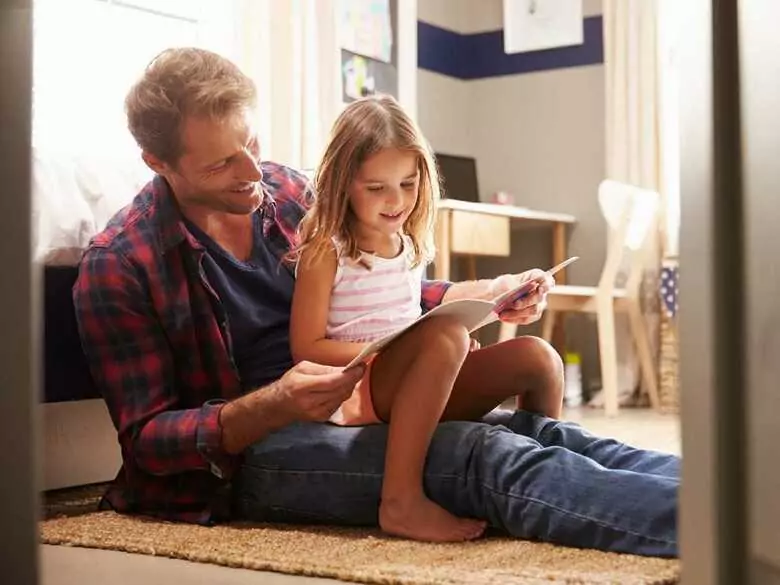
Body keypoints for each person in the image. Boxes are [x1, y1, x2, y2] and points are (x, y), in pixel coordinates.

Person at [73, 47, 680, 557]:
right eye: (222, 161)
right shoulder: (121, 267)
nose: (254, 169)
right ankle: (715, 527)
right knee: (483, 452)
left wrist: (482, 296)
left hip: (367, 387)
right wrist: (271, 404)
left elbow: (379, 292)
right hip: (256, 451)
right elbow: (147, 441)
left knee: (541, 434)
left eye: (251, 141)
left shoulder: (288, 193)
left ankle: (736, 491)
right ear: (158, 163)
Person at [289, 95, 562, 543]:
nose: (396, 201)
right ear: (343, 184)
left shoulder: (411, 245)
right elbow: (306, 348)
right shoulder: (327, 249)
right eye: (376, 188)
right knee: (444, 338)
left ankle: (540, 480)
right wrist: (405, 349)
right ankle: (400, 501)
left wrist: (498, 301)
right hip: (360, 388)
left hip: (414, 381)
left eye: (409, 184)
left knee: (539, 358)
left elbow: (415, 316)